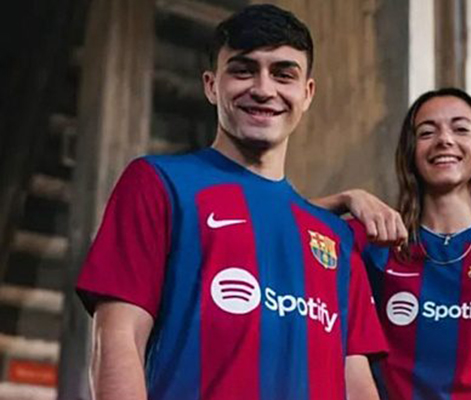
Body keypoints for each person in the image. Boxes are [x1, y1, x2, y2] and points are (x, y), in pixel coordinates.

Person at [75, 5, 387, 400]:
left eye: (283, 74)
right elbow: (118, 338)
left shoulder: (336, 237)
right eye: (243, 70)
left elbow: (356, 381)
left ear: (307, 93)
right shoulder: (157, 184)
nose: (263, 89)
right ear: (211, 85)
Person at [321, 88, 471, 400]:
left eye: (460, 129)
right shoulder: (375, 239)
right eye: (427, 132)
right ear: (411, 153)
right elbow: (280, 222)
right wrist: (346, 199)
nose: (444, 140)